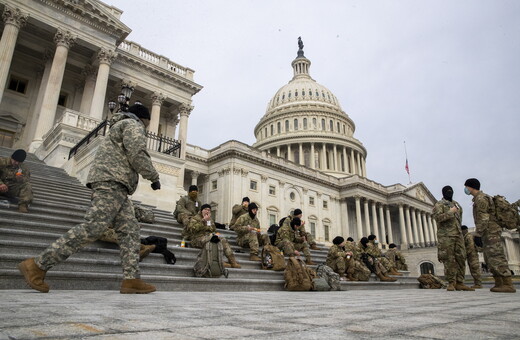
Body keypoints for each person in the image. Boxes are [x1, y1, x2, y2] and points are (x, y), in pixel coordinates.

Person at [18, 104, 160, 294]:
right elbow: (137, 153)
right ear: (144, 119)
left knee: (130, 231)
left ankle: (131, 279)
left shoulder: (120, 125)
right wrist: (154, 177)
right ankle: (37, 265)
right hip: (112, 181)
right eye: (147, 123)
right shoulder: (133, 125)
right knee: (93, 227)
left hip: (117, 184)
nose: (147, 127)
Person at [464, 178, 516, 293]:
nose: (465, 189)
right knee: (490, 257)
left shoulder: (481, 198)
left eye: (466, 187)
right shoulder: (480, 198)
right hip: (489, 231)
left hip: (490, 231)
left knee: (496, 256)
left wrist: (478, 233)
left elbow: (484, 217)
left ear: (471, 187)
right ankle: (499, 282)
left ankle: (507, 283)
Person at [432, 185, 473, 291]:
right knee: (449, 260)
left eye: (451, 191)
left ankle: (460, 282)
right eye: (447, 191)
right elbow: (437, 218)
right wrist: (451, 212)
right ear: (443, 193)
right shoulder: (439, 204)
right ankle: (451, 282)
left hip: (458, 235)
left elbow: (459, 220)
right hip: (446, 236)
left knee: (461, 257)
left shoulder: (457, 205)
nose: (449, 192)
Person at [185, 203, 240, 268]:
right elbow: (192, 229)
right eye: (205, 209)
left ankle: (232, 261)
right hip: (197, 239)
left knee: (222, 239)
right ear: (201, 210)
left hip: (208, 237)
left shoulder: (210, 220)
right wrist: (203, 221)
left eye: (209, 210)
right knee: (213, 239)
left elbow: (214, 230)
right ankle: (219, 262)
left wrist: (217, 234)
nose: (207, 211)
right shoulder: (195, 218)